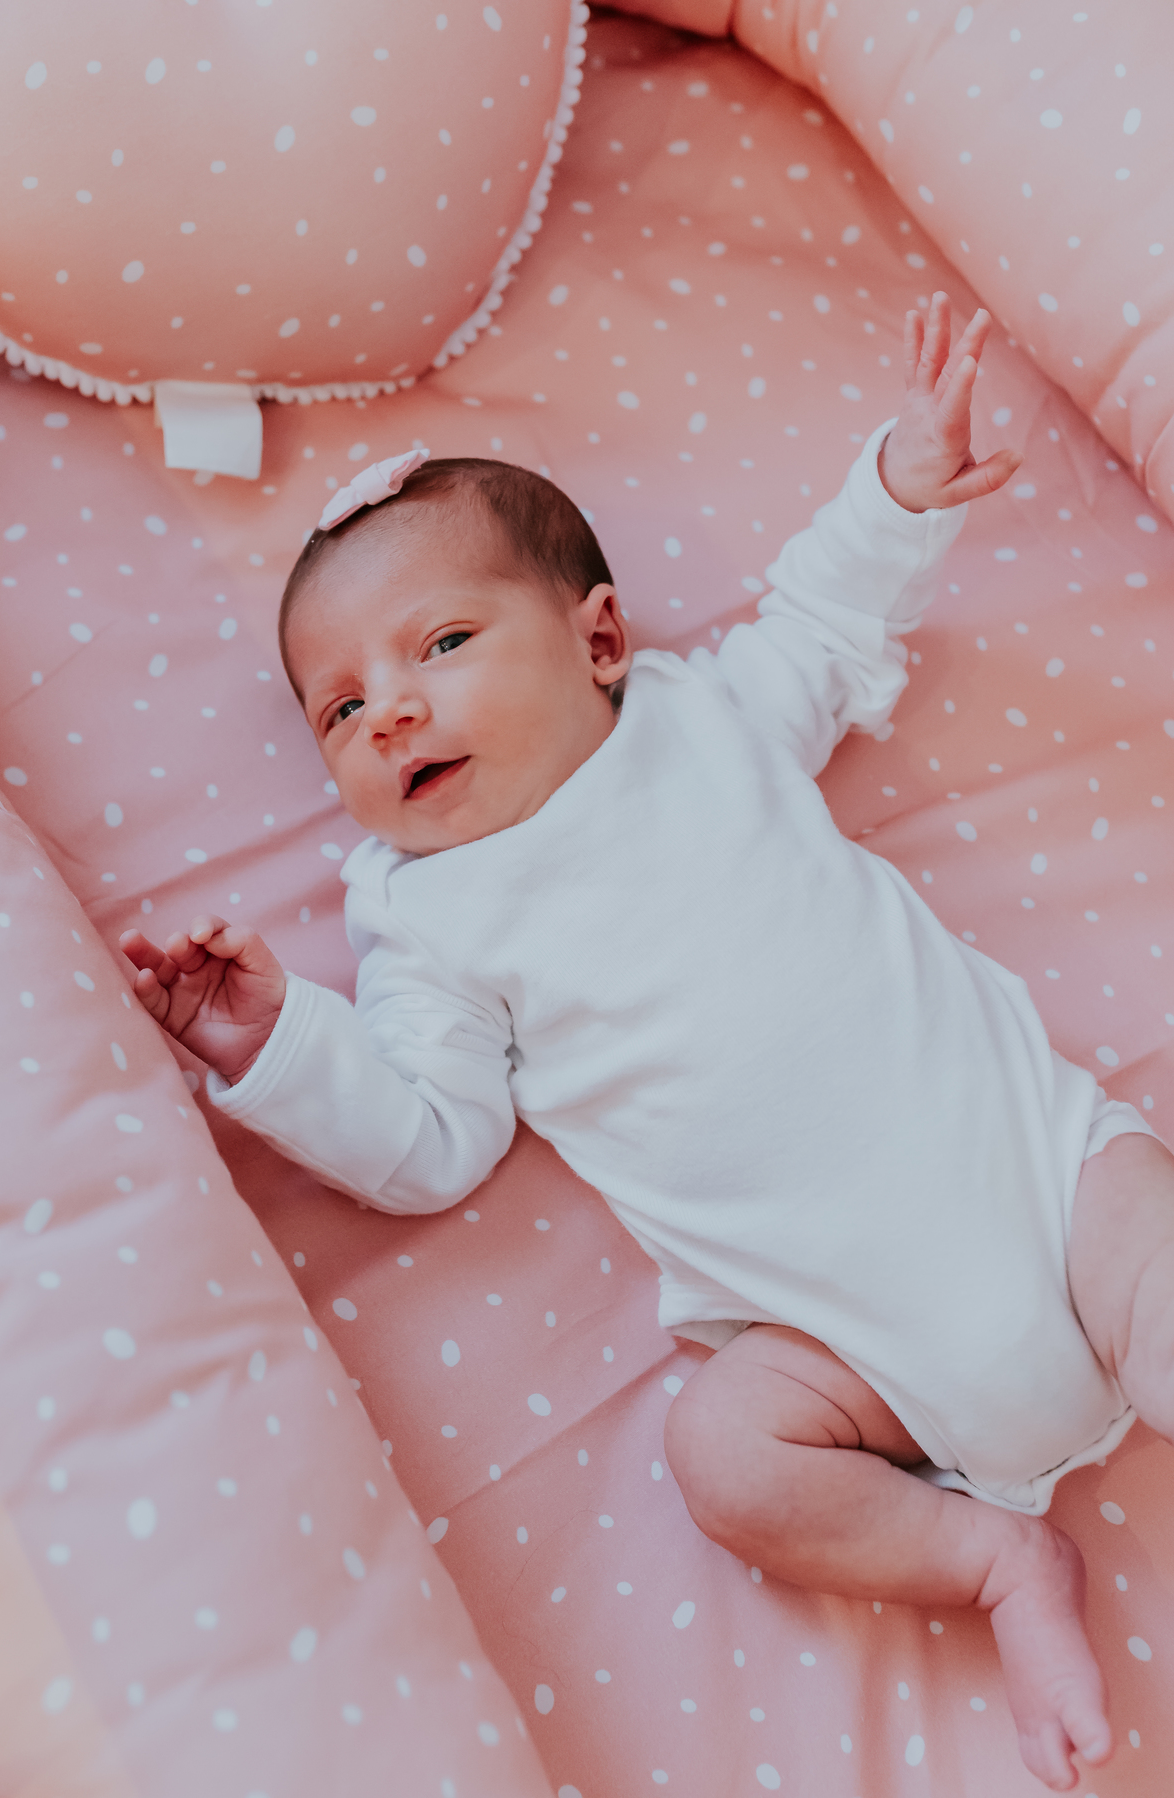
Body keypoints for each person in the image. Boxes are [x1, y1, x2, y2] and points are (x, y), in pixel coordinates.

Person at [121, 294, 1171, 1792]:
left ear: (600, 637)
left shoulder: (701, 723)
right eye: (341, 707)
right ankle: (997, 1559)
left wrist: (899, 482)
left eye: (442, 643)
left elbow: (821, 619)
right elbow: (427, 1145)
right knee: (726, 1459)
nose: (391, 709)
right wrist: (279, 1039)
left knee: (1157, 1253)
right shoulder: (428, 924)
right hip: (847, 1355)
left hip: (1046, 1192)